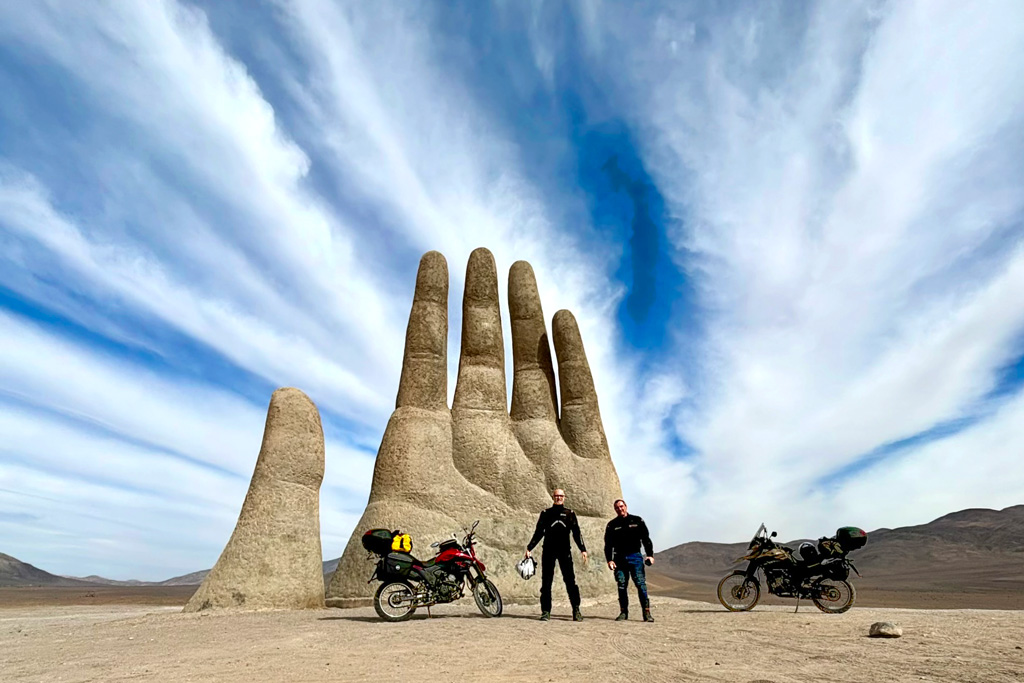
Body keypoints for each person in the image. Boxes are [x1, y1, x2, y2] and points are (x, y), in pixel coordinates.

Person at [525, 488, 588, 621]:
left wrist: (583, 549)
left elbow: (576, 533)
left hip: (565, 551)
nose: (558, 498)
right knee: (546, 582)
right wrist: (529, 547)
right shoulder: (546, 513)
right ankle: (546, 611)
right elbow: (539, 532)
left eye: (561, 496)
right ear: (553, 497)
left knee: (570, 581)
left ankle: (576, 610)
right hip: (548, 551)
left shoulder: (570, 514)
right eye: (556, 496)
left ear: (564, 497)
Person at [604, 498, 654, 622]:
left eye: (621, 506)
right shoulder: (612, 525)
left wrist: (650, 555)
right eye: (617, 508)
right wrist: (609, 560)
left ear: (625, 506)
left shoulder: (637, 520)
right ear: (615, 510)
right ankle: (623, 612)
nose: (620, 509)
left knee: (641, 584)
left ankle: (646, 613)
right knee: (621, 585)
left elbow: (646, 539)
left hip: (635, 557)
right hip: (619, 559)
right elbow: (608, 544)